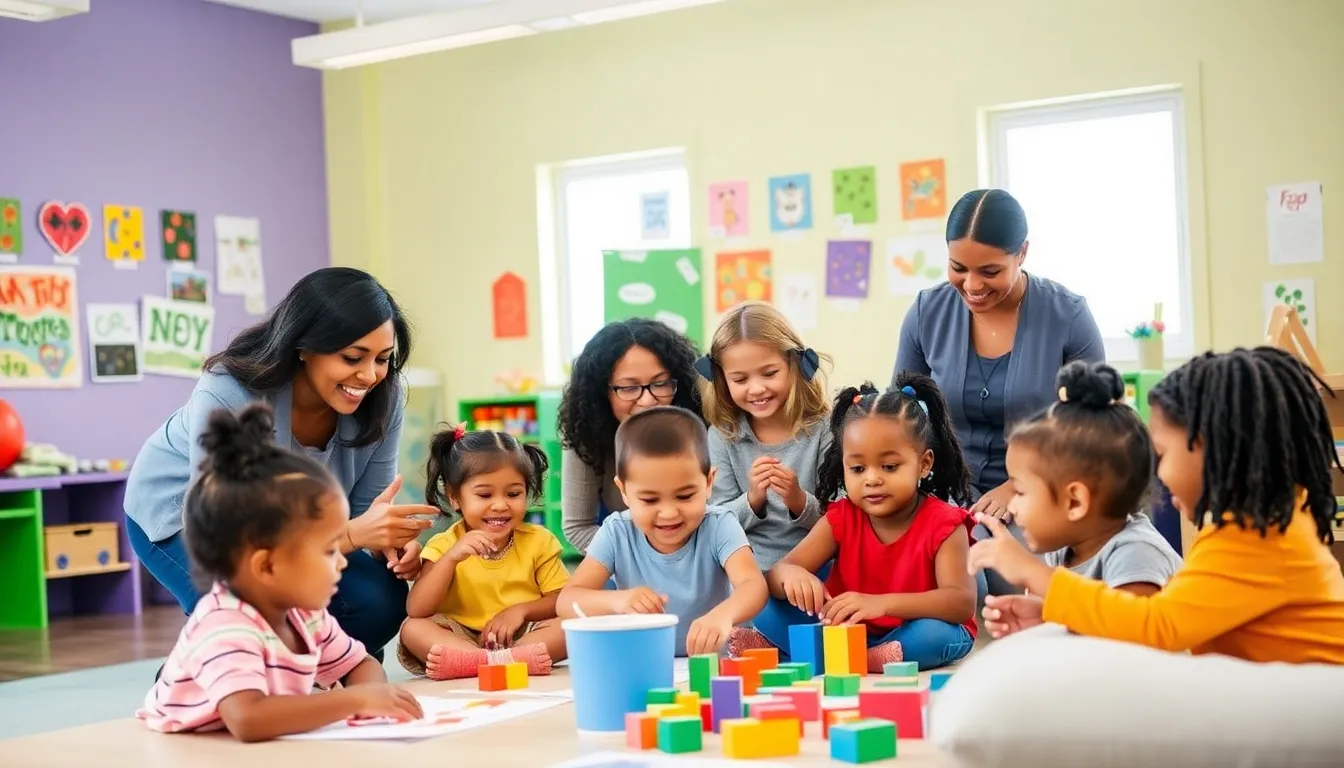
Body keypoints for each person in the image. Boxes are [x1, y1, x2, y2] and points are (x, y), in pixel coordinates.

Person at [125, 267, 438, 657]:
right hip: (188, 519)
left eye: (382, 359)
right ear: (304, 346)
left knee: (380, 599)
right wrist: (356, 535)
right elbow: (227, 534)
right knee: (253, 606)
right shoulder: (228, 389)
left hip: (299, 528)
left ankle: (309, 671)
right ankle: (197, 683)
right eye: (353, 357)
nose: (369, 375)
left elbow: (363, 509)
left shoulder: (383, 397)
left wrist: (386, 546)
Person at [970, 347, 1344, 663]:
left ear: (1211, 447)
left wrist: (1034, 576)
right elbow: (1172, 617)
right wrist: (1055, 614)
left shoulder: (1256, 540)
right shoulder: (1260, 530)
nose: (1159, 473)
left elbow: (1156, 627)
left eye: (1162, 453)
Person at [137, 405, 423, 742]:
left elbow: (360, 664)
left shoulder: (307, 616)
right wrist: (352, 700)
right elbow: (248, 720)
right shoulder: (224, 623)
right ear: (266, 565)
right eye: (328, 550)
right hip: (185, 752)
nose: (344, 562)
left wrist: (372, 704)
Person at [893, 189, 1105, 595]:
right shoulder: (926, 312)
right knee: (954, 583)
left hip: (1042, 492)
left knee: (1027, 587)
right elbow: (902, 417)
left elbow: (1094, 427)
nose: (971, 285)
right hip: (944, 492)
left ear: (1022, 253)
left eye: (990, 272)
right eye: (958, 268)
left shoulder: (1069, 316)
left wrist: (1021, 483)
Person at [732, 376, 978, 672]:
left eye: (889, 467)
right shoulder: (843, 516)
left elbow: (961, 603)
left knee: (934, 636)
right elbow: (775, 576)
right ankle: (855, 657)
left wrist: (882, 604)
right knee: (762, 604)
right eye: (858, 468)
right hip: (847, 632)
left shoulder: (946, 523)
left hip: (912, 632)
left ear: (924, 464)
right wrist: (793, 576)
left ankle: (799, 655)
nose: (872, 479)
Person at [974, 361, 1181, 639]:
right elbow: (1090, 625)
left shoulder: (1136, 551)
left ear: (1075, 502)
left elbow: (1132, 639)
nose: (1012, 506)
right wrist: (1046, 617)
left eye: (1020, 492)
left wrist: (1030, 571)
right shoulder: (1063, 551)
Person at [557, 406, 769, 657]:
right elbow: (567, 601)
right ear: (623, 490)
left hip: (709, 663)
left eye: (685, 495)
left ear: (709, 482)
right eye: (649, 500)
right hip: (645, 661)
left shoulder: (720, 524)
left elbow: (753, 585)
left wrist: (723, 615)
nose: (668, 512)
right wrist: (618, 601)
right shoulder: (617, 532)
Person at [397, 425, 568, 680]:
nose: (500, 505)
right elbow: (417, 609)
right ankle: (494, 662)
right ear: (455, 497)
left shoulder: (539, 541)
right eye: (485, 494)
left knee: (568, 626)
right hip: (460, 636)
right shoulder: (444, 545)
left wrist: (520, 611)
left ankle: (485, 663)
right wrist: (452, 558)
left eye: (513, 493)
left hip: (520, 634)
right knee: (413, 629)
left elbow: (562, 599)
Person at [701, 302, 832, 569]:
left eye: (770, 373)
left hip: (816, 565)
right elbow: (715, 521)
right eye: (740, 380)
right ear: (722, 380)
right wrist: (753, 499)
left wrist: (799, 499)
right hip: (747, 573)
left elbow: (843, 519)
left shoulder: (825, 428)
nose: (757, 388)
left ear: (794, 365)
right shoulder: (722, 436)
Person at [557, 318, 705, 553]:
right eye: (628, 388)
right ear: (602, 393)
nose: (647, 401)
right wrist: (642, 561)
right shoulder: (586, 437)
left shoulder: (701, 431)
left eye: (661, 383)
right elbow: (579, 527)